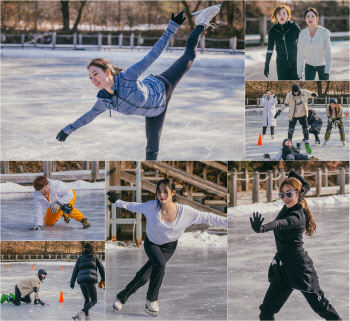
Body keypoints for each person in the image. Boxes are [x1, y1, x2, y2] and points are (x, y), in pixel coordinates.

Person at [56, 5, 221, 161]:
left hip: (163, 85)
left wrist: (172, 28)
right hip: (155, 112)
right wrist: (67, 130)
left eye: (95, 74)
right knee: (151, 152)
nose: (93, 80)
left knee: (189, 57)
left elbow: (152, 55)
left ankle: (200, 23)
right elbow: (87, 117)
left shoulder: (128, 77)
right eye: (90, 78)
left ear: (107, 72)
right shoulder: (104, 102)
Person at [106, 178, 227, 317]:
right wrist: (117, 202)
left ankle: (121, 297)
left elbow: (209, 217)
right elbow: (135, 206)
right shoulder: (152, 207)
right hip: (152, 244)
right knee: (160, 264)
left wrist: (229, 221)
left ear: (173, 193)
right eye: (159, 192)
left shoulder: (185, 212)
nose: (161, 195)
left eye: (165, 192)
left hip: (169, 247)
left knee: (145, 275)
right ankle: (152, 300)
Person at [250, 170, 341, 320]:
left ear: (298, 194)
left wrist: (262, 228)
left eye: (289, 194)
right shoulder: (291, 203)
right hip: (283, 268)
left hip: (300, 268)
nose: (285, 198)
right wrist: (291, 174)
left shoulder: (297, 216)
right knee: (266, 311)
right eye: (282, 194)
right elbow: (306, 185)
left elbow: (280, 223)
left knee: (321, 308)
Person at [274, 84, 318, 153]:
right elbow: (285, 104)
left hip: (303, 114)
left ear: (299, 90)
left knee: (306, 130)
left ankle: (307, 144)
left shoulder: (304, 92)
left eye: (296, 92)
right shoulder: (289, 95)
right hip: (293, 115)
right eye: (294, 92)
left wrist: (314, 94)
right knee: (291, 130)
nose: (295, 93)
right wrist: (279, 111)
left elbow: (311, 93)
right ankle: (289, 144)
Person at [264, 5, 301, 80]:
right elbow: (270, 49)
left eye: (284, 13)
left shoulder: (294, 27)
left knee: (295, 83)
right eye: (279, 14)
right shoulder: (273, 31)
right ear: (275, 16)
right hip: (281, 64)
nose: (282, 16)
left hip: (295, 63)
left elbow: (303, 45)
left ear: (288, 15)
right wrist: (267, 64)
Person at [71, 243, 105, 321]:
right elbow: (101, 268)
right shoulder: (94, 256)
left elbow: (75, 270)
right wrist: (103, 279)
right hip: (89, 279)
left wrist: (72, 282)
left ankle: (87, 317)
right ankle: (81, 313)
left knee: (87, 299)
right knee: (94, 300)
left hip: (81, 280)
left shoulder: (80, 258)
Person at [297, 7, 331, 80]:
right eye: (307, 16)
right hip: (309, 66)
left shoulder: (324, 32)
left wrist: (327, 70)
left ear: (317, 18)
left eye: (312, 16)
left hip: (323, 66)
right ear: (305, 19)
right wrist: (299, 71)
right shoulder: (302, 34)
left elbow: (328, 52)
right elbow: (300, 54)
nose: (310, 19)